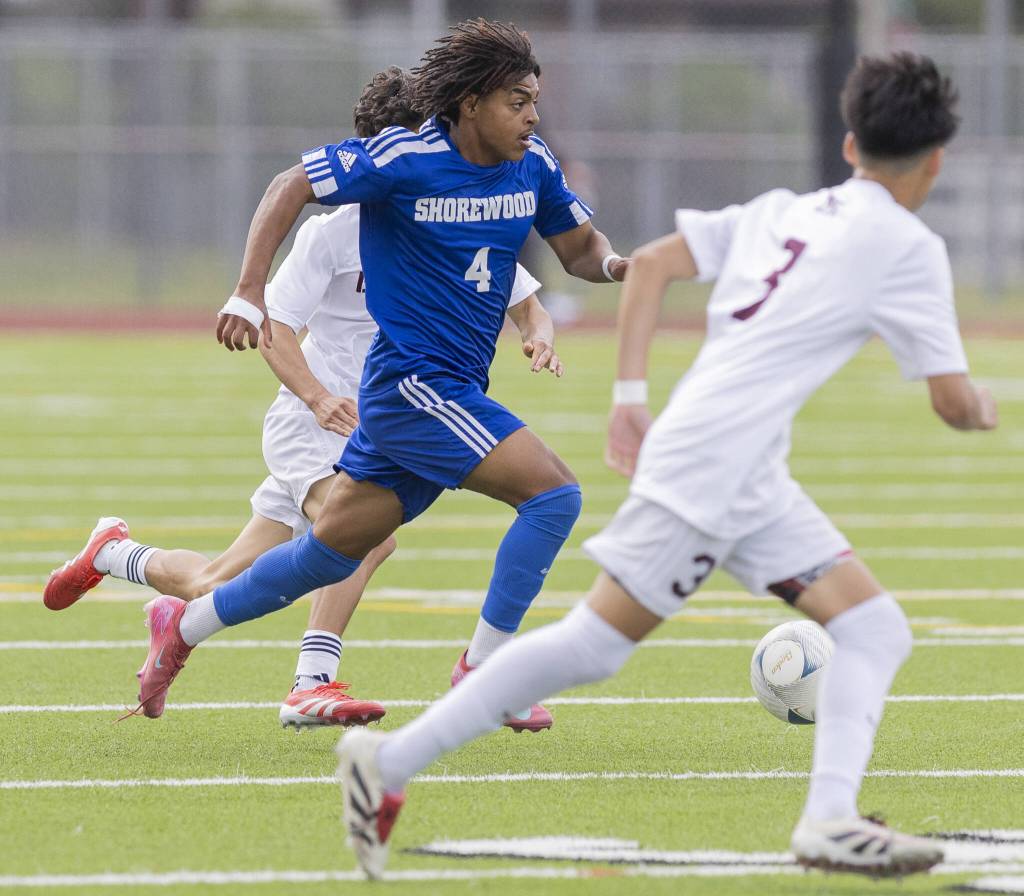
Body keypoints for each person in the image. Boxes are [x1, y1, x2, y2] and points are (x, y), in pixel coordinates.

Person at [334, 52, 999, 879]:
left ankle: (829, 819)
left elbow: (648, 264)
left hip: (742, 465)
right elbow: (951, 403)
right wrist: (990, 407)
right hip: (717, 464)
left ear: (851, 140)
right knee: (595, 646)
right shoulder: (907, 245)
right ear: (936, 159)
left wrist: (629, 395)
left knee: (872, 627)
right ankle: (386, 763)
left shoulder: (783, 209)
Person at [128, 20, 630, 730]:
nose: (533, 115)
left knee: (327, 556)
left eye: (534, 100)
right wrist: (248, 287)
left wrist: (615, 267)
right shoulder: (406, 156)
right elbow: (290, 182)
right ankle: (484, 674)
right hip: (415, 388)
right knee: (555, 497)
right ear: (470, 102)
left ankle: (181, 631)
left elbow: (578, 248)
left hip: (438, 391)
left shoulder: (532, 164)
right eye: (518, 100)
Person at [42, 66, 555, 730]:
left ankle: (113, 553)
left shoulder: (460, 217)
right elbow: (274, 329)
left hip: (385, 423)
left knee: (215, 584)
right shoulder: (334, 233)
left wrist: (537, 334)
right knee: (366, 538)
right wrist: (316, 398)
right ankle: (312, 682)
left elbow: (526, 301)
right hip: (317, 424)